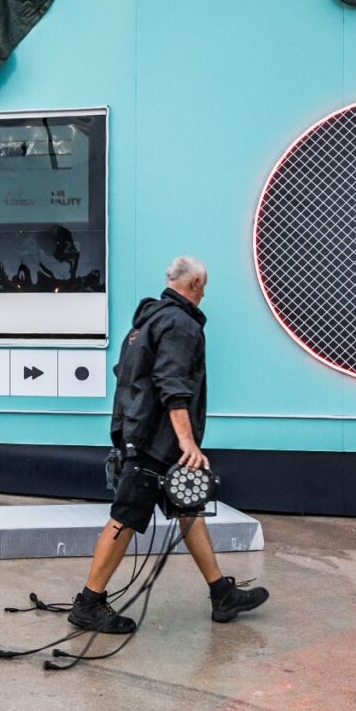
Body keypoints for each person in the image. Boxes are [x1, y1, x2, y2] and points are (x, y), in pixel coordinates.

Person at [69, 256, 269, 634]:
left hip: (144, 435)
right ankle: (88, 603)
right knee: (126, 517)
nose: (205, 294)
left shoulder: (146, 322)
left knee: (188, 508)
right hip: (154, 442)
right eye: (204, 286)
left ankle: (221, 594)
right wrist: (187, 440)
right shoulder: (180, 323)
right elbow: (170, 383)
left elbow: (128, 376)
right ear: (194, 283)